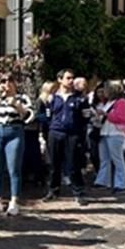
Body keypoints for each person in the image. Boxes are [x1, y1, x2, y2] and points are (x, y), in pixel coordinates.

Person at [0, 73, 32, 215]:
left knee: (13, 169)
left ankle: (14, 201)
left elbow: (29, 117)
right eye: (3, 81)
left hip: (14, 131)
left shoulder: (22, 98)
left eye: (10, 80)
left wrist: (16, 105)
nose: (7, 83)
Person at [46, 75, 89, 206]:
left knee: (73, 164)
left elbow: (85, 117)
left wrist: (79, 134)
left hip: (72, 134)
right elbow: (48, 115)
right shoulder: (53, 97)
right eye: (68, 78)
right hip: (55, 132)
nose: (71, 81)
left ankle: (79, 192)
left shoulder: (80, 98)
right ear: (60, 79)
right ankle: (53, 190)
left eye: (72, 78)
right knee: (54, 164)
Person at [93, 81, 125, 193]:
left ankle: (122, 184)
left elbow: (121, 118)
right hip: (105, 132)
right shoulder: (108, 102)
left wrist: (106, 114)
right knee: (104, 159)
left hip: (115, 133)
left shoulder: (121, 102)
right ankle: (102, 181)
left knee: (117, 159)